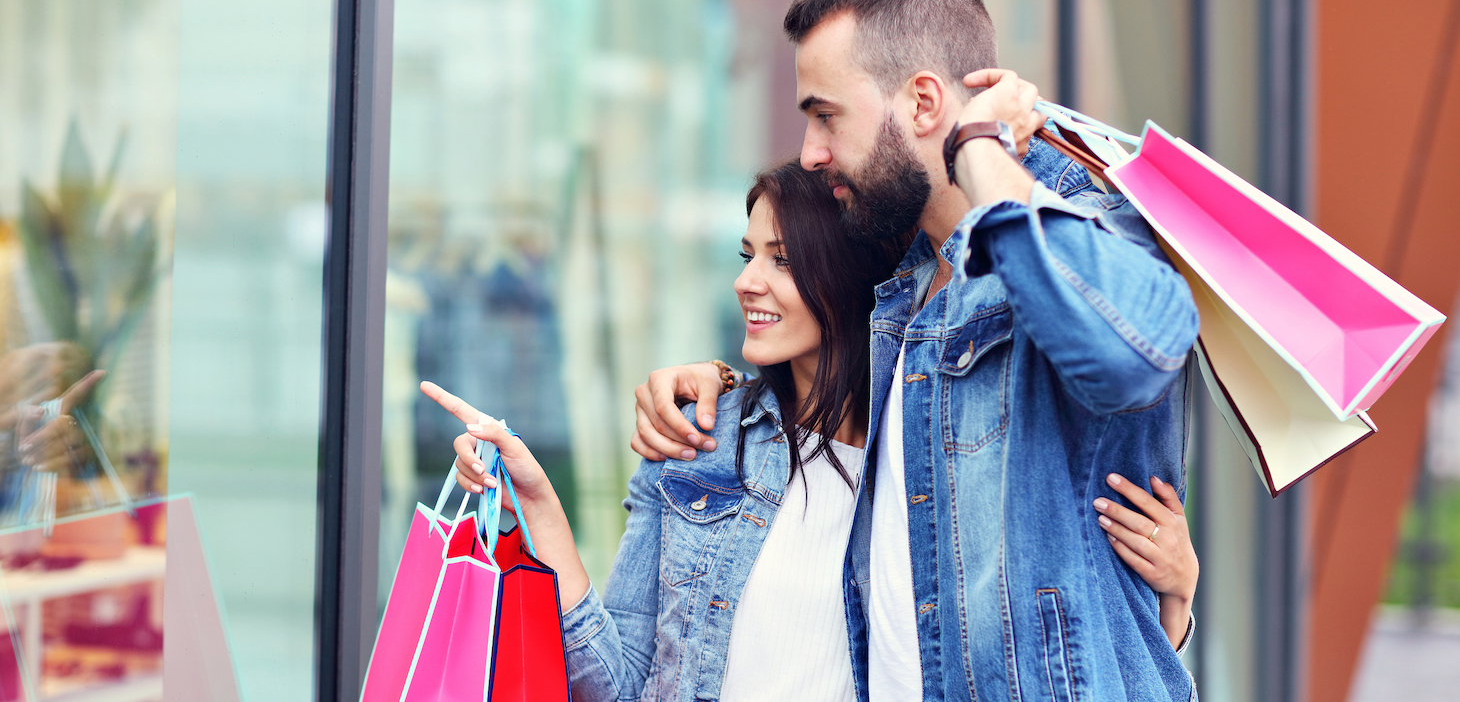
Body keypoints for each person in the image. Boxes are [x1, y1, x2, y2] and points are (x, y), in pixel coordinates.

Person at [630, 0, 1201, 702]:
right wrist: (725, 383)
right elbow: (812, 338)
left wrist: (981, 150)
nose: (811, 150)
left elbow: (1141, 350)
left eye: (826, 114)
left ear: (926, 103)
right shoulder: (900, 286)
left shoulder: (1087, 225)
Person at [423, 161, 1198, 702]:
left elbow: (1022, 655)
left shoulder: (933, 459)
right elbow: (618, 683)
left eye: (783, 260)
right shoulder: (701, 445)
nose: (746, 281)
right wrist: (540, 504)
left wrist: (1173, 601)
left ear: (847, 276)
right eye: (747, 254)